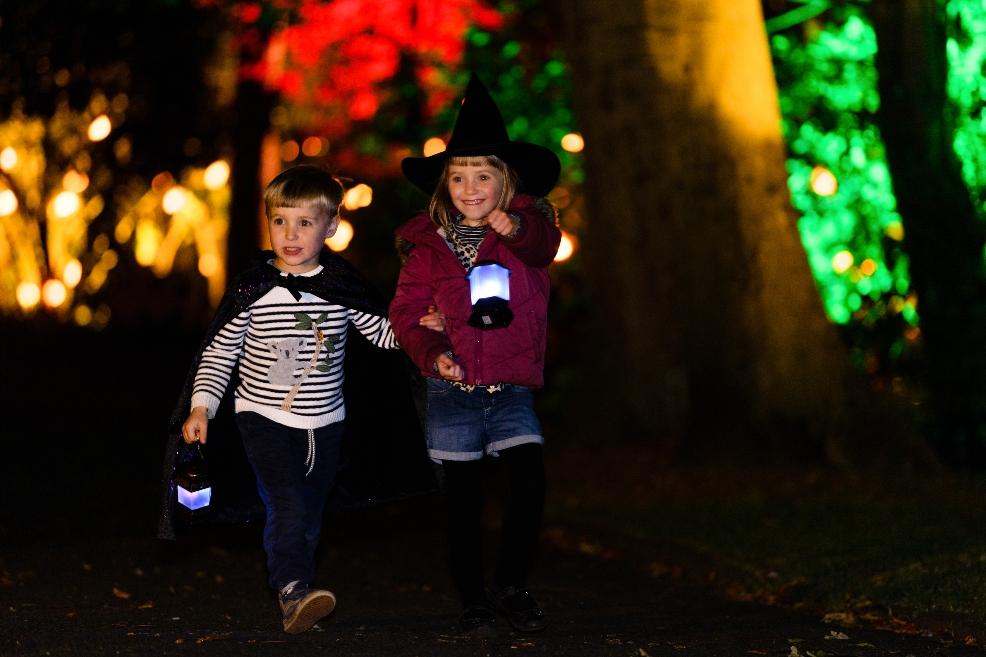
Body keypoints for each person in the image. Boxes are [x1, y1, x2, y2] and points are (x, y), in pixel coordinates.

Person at [160, 164, 442, 634]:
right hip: (262, 417)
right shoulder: (253, 291)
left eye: (305, 223)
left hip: (327, 422)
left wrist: (419, 329)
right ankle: (292, 587)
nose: (290, 234)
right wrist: (201, 406)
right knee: (287, 503)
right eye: (280, 222)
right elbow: (219, 352)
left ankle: (298, 583)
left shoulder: (340, 288)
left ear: (330, 227)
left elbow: (382, 335)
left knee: (309, 513)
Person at [389, 73, 562, 636]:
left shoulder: (526, 233)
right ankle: (474, 599)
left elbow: (543, 244)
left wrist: (513, 226)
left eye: (482, 175)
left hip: (509, 385)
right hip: (451, 390)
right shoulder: (426, 249)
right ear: (444, 185)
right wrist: (434, 347)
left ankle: (511, 581)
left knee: (528, 479)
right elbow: (407, 314)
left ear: (505, 182)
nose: (469, 187)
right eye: (458, 176)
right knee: (461, 503)